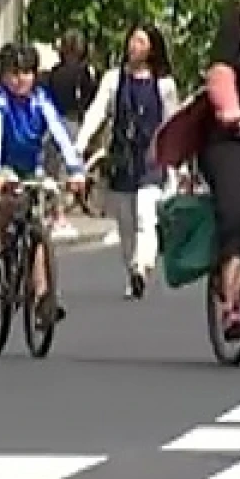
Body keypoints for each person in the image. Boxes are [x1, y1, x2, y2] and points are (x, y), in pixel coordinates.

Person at [0, 43, 86, 320]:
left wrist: (75, 170)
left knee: (37, 229)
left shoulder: (41, 100)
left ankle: (42, 297)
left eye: (26, 72)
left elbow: (60, 134)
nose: (20, 79)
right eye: (14, 73)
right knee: (10, 202)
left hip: (32, 167)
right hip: (5, 165)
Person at [74, 24, 179, 300]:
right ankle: (132, 271)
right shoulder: (113, 79)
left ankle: (142, 266)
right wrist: (81, 143)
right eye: (133, 40)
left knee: (146, 214)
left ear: (152, 48)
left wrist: (176, 161)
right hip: (122, 158)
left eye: (142, 41)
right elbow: (98, 111)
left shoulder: (164, 84)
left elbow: (172, 121)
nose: (135, 46)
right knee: (126, 222)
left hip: (151, 158)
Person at [201, 0, 240, 338]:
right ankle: (232, 305)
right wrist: (230, 110)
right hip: (234, 134)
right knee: (236, 209)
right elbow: (220, 71)